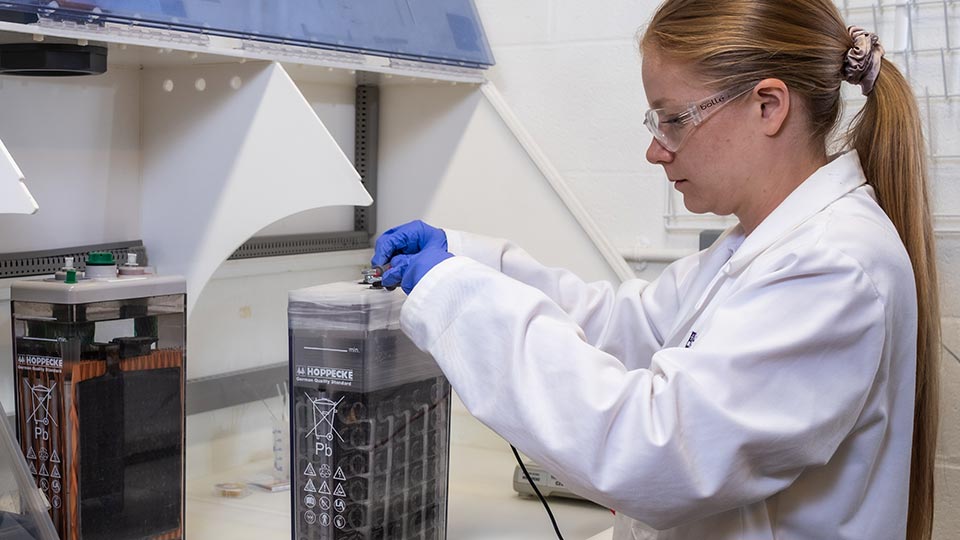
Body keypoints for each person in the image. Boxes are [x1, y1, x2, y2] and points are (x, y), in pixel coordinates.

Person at [371, 0, 940, 538]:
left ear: (769, 106)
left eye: (674, 119)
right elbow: (629, 327)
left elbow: (654, 451)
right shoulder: (758, 244)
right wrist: (467, 260)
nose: (656, 150)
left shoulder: (833, 267)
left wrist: (457, 296)